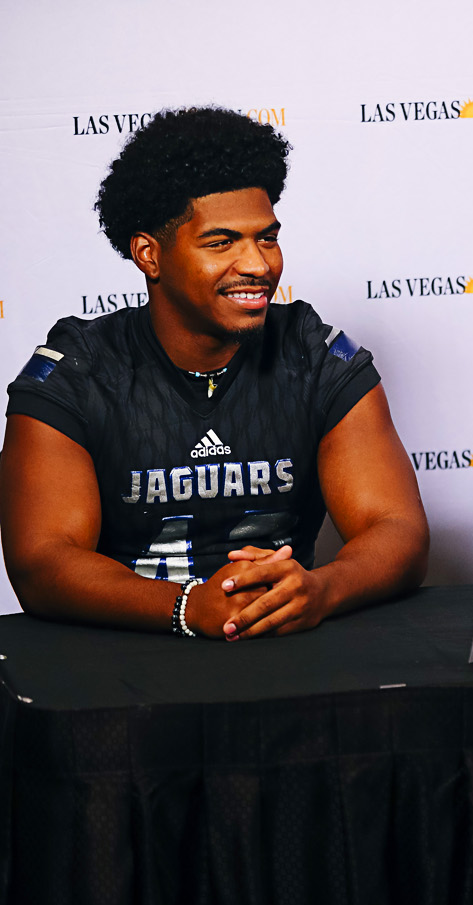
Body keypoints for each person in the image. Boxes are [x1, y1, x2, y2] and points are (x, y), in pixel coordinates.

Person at [2, 107, 428, 639]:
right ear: (149, 255)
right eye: (221, 242)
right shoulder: (80, 372)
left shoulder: (312, 354)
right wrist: (186, 608)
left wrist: (322, 590)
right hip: (123, 667)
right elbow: (41, 563)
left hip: (284, 653)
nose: (258, 264)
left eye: (267, 238)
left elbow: (397, 529)